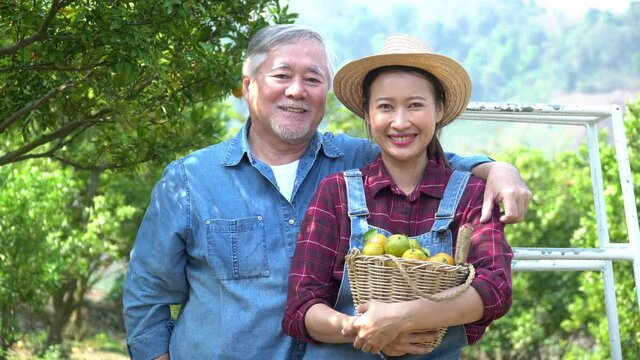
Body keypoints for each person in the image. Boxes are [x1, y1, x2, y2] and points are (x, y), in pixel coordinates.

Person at [123, 25, 528, 360]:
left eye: (313, 79)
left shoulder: (357, 160)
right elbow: (146, 299)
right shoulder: (191, 180)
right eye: (281, 76)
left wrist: (498, 169)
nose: (296, 91)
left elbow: (429, 159)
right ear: (247, 86)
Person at [282, 34, 513, 359]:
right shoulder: (336, 193)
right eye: (385, 106)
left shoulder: (471, 195)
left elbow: (494, 288)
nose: (400, 122)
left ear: (439, 109)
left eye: (415, 105)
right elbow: (301, 308)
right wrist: (364, 330)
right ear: (367, 114)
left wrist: (399, 319)